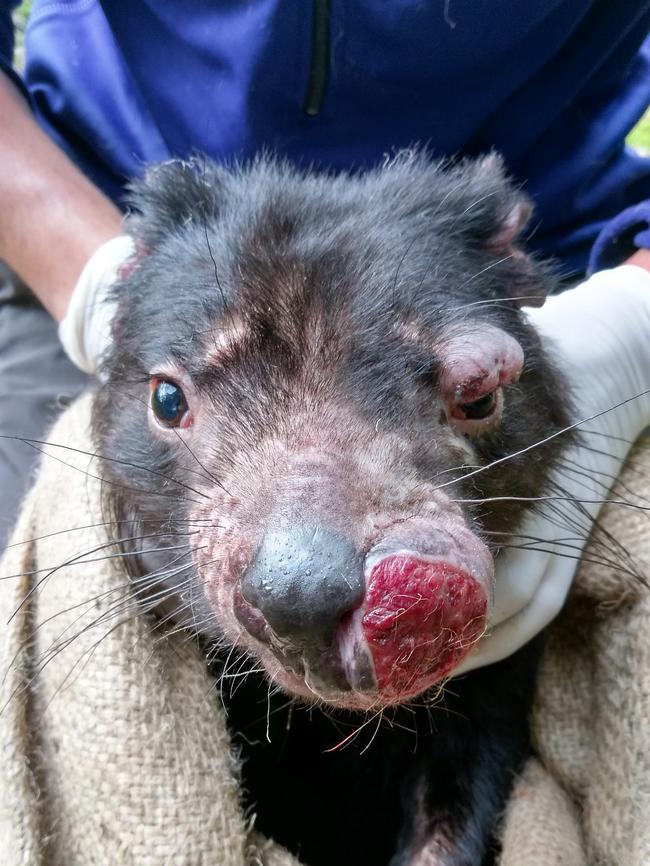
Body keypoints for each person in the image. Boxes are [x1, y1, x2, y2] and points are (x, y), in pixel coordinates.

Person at [0, 1, 649, 671]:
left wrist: (632, 319)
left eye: (471, 399)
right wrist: (94, 279)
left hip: (553, 253)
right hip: (91, 220)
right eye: (173, 401)